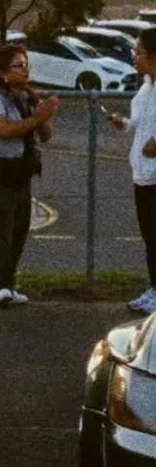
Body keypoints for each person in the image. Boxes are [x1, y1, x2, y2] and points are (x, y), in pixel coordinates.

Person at [0, 42, 58, 307]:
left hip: (20, 173)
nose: (25, 70)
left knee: (20, 228)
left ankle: (9, 283)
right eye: (18, 66)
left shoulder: (24, 98)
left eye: (26, 65)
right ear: (2, 73)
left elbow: (45, 135)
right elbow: (3, 130)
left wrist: (43, 116)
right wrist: (36, 118)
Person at [103, 27, 156, 314]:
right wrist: (123, 124)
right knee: (150, 236)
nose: (133, 57)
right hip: (143, 173)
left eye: (139, 52)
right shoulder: (146, 88)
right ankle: (154, 288)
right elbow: (138, 124)